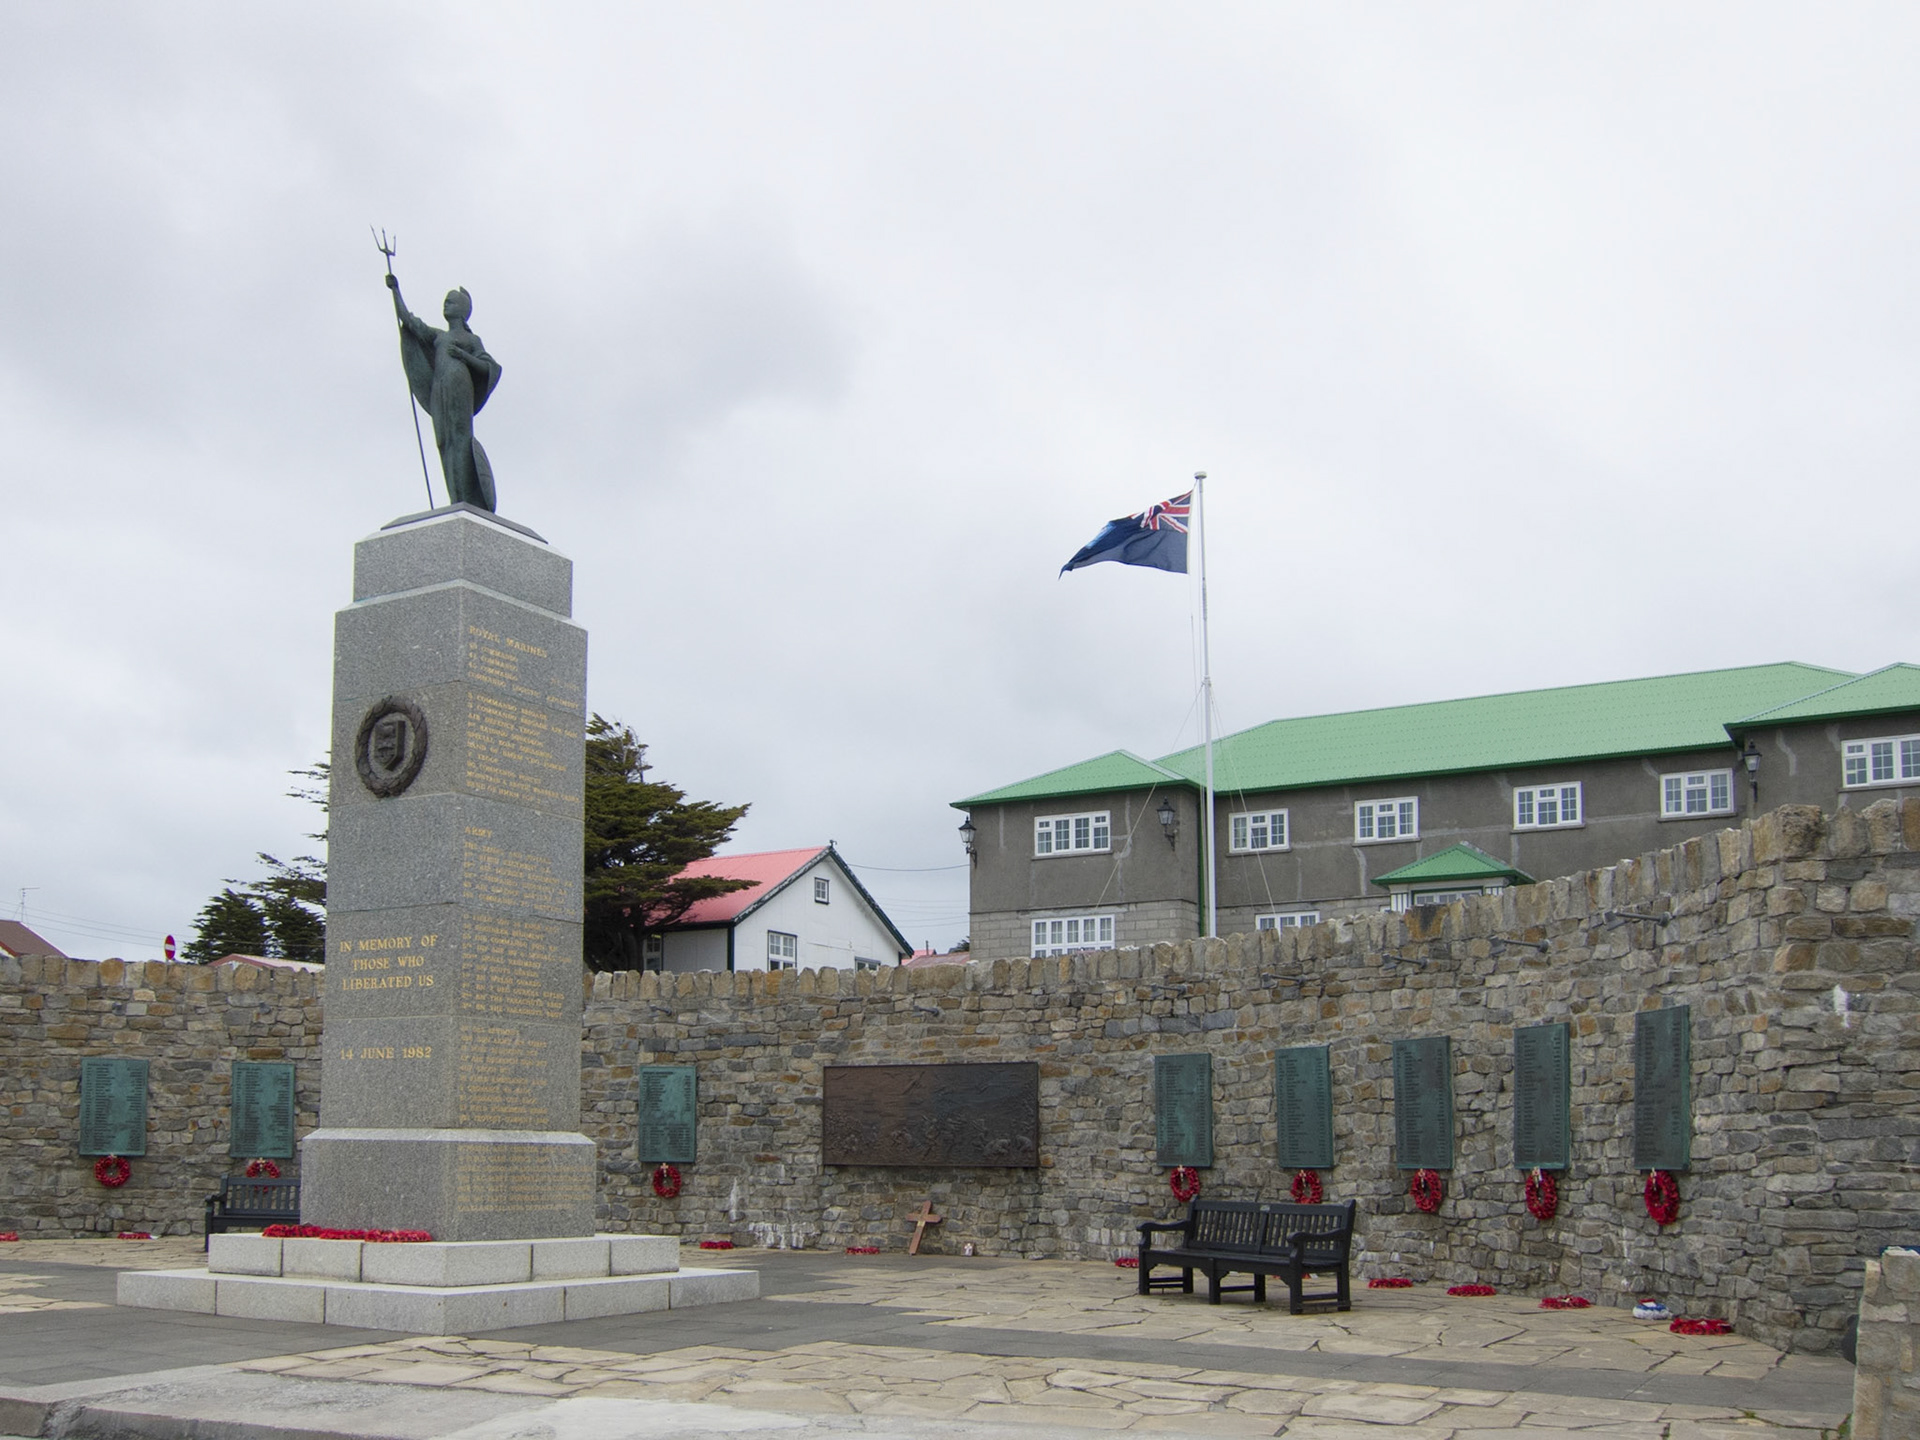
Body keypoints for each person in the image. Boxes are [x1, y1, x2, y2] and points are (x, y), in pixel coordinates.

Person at [387, 274, 502, 510]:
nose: (445, 305)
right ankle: (455, 498)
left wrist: (464, 356)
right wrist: (395, 290)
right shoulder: (439, 336)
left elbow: (489, 367)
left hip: (460, 388)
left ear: (461, 310)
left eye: (450, 302)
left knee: (460, 441)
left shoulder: (471, 339)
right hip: (440, 390)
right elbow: (410, 322)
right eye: (445, 301)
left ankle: (466, 499)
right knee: (444, 442)